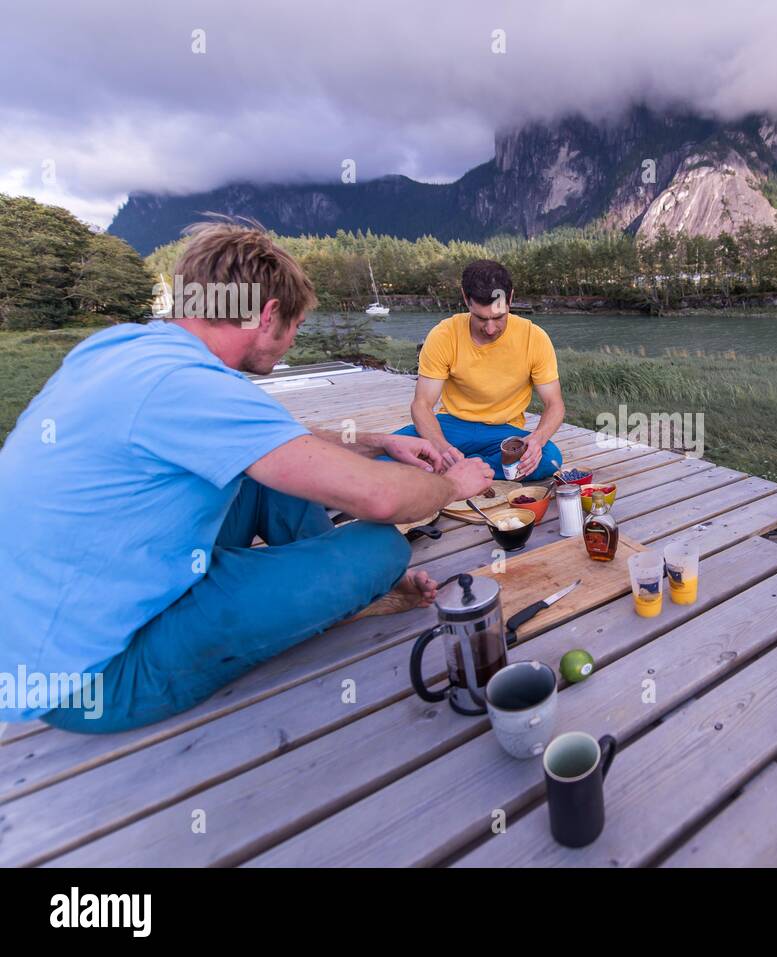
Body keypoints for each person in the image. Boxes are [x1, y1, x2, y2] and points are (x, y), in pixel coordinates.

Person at [0, 222, 493, 734]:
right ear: (268, 314)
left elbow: (267, 438)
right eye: (297, 323)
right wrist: (454, 485)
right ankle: (347, 586)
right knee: (382, 550)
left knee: (263, 477)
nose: (294, 338)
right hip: (93, 676)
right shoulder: (191, 385)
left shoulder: (124, 348)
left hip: (66, 606)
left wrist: (379, 441)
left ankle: (341, 592)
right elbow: (380, 497)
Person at [393, 260, 565, 481]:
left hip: (503, 431)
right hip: (450, 427)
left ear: (510, 298)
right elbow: (422, 405)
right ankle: (466, 465)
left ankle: (456, 469)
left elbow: (555, 404)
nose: (491, 329)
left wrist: (538, 439)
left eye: (499, 317)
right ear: (466, 298)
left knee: (549, 457)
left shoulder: (535, 337)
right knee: (388, 451)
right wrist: (441, 447)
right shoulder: (443, 335)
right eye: (482, 318)